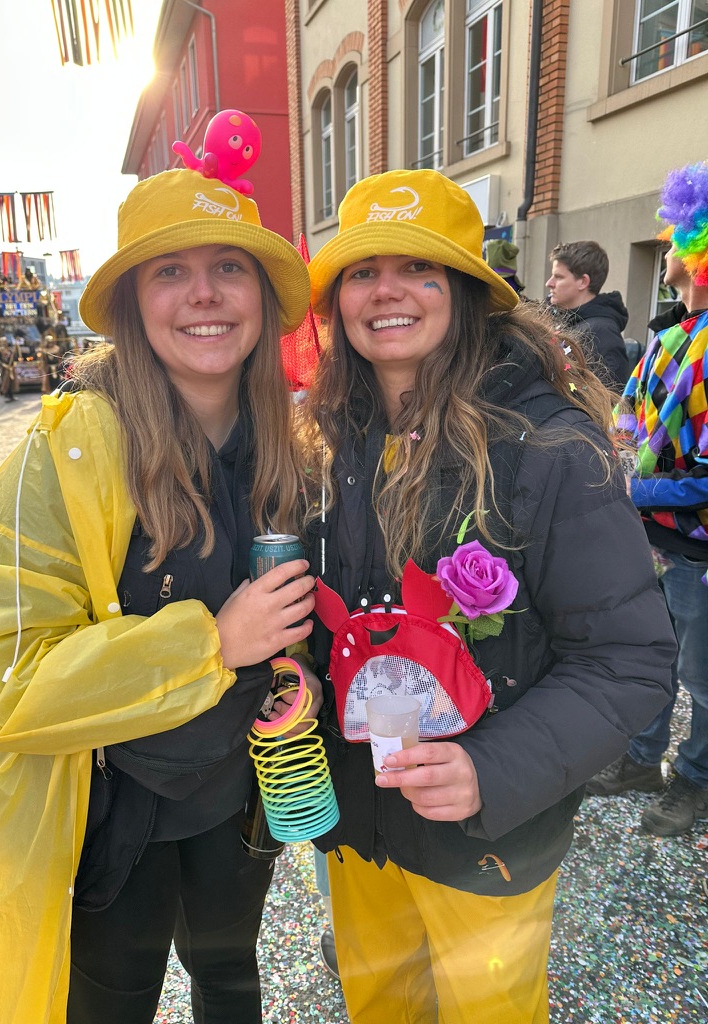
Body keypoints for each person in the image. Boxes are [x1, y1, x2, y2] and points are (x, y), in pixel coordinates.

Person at [0, 165, 319, 1024]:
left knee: (231, 978)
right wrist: (210, 645)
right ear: (131, 305)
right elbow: (1, 679)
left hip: (239, 800)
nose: (204, 294)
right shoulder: (64, 454)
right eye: (170, 271)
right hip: (112, 816)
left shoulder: (289, 445)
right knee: (112, 1004)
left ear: (261, 296)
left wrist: (302, 673)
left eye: (229, 267)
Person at [302, 168, 676, 1024]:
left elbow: (629, 661)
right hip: (360, 830)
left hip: (487, 842)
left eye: (419, 268)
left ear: (468, 290)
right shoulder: (325, 442)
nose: (387, 290)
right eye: (363, 271)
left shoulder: (550, 449)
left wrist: (491, 769)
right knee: (379, 1007)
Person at [587, 161, 708, 836]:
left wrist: (635, 486)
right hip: (649, 538)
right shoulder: (670, 336)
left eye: (675, 238)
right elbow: (629, 419)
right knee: (651, 655)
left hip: (696, 549)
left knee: (703, 676)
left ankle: (695, 778)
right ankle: (641, 759)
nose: (666, 247)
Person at [546, 239, 630, 391]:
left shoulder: (601, 333)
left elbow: (610, 397)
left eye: (558, 277)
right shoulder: (567, 323)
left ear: (583, 282)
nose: (549, 283)